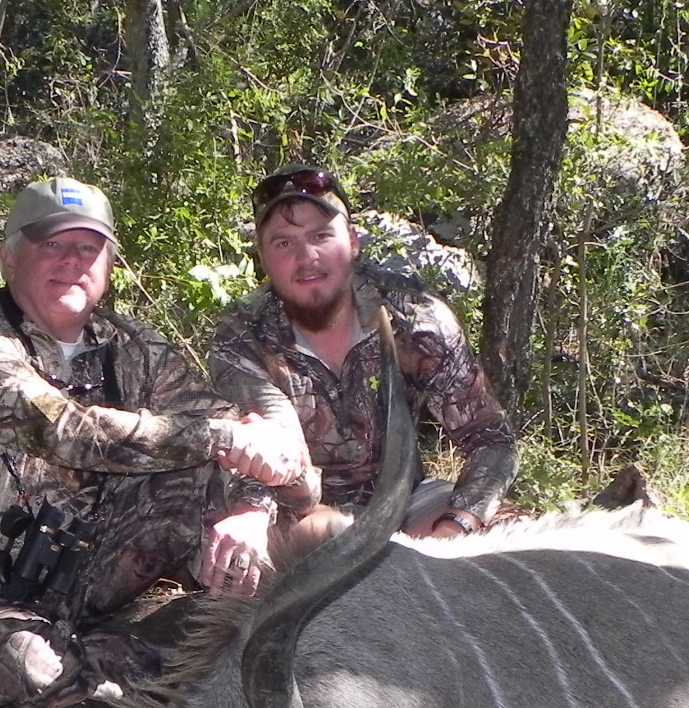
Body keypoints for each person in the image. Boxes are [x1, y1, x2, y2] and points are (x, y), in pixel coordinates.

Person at [0, 175, 303, 708]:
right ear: (10, 257)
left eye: (89, 247)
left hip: (91, 582)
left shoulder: (134, 345)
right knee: (36, 675)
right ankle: (155, 666)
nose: (72, 261)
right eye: (51, 245)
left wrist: (249, 507)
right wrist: (224, 436)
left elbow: (226, 421)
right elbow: (70, 432)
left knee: (268, 516)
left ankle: (182, 635)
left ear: (108, 263)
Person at [209, 165, 516, 546]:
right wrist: (251, 515)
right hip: (308, 515)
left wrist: (455, 529)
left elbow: (491, 440)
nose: (307, 257)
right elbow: (275, 453)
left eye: (321, 236)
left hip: (412, 502)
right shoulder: (242, 340)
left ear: (353, 241)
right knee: (303, 552)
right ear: (262, 257)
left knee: (507, 536)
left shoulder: (416, 317)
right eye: (284, 243)